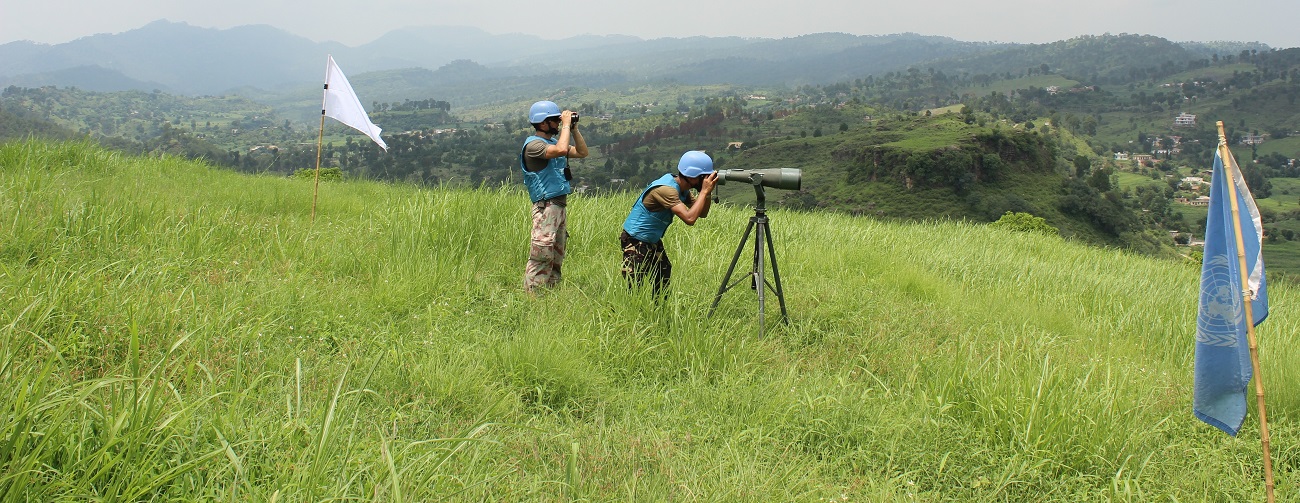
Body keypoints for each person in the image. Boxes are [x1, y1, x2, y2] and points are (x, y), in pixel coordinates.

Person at [620, 150, 719, 296]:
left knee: (663, 274)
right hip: (635, 240)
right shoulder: (666, 189)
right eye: (704, 176)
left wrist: (707, 193)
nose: (706, 179)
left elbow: (702, 214)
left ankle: (659, 308)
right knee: (634, 285)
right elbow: (690, 219)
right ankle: (628, 309)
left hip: (652, 240)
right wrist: (703, 192)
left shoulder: (683, 189)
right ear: (692, 175)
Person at [520, 100, 588, 294]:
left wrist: (574, 129)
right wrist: (566, 125)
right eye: (555, 120)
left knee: (557, 255)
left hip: (558, 206)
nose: (558, 123)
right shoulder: (533, 145)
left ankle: (551, 295)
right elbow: (560, 150)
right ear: (543, 123)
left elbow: (582, 152)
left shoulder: (553, 143)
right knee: (541, 255)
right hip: (546, 207)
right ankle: (532, 297)